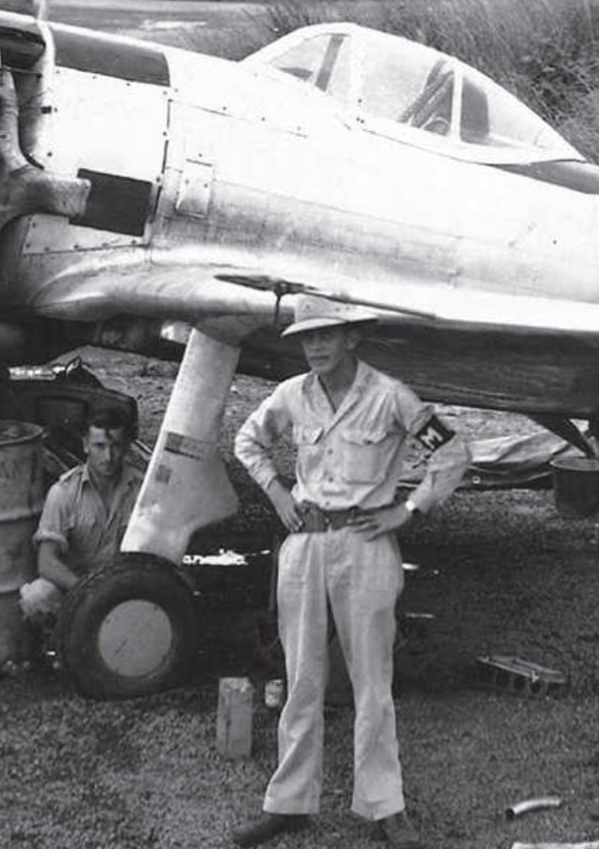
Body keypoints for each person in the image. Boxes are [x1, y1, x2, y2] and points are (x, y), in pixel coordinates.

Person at [231, 296, 469, 849]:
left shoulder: (389, 398)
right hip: (305, 545)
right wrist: (275, 493)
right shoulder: (292, 395)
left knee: (372, 684)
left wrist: (407, 510)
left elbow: (452, 452)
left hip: (364, 546)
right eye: (307, 338)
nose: (315, 346)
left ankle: (385, 807)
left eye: (326, 336)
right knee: (302, 679)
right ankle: (288, 803)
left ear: (351, 339)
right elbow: (248, 440)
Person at [18, 406, 142, 628]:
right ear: (85, 445)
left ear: (126, 447)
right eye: (100, 446)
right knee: (36, 596)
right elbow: (46, 563)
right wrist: (88, 592)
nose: (108, 457)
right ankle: (59, 646)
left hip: (125, 591)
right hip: (77, 591)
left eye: (115, 446)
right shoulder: (63, 492)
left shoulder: (141, 490)